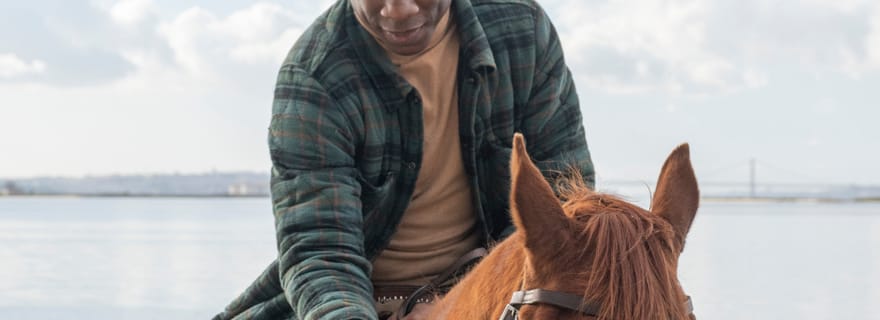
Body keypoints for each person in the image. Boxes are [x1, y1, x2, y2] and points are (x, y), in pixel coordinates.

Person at [214, 0, 594, 319]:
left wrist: (461, 303)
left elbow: (561, 208)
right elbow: (320, 253)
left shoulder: (523, 32)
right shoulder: (313, 78)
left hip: (500, 290)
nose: (399, 11)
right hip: (360, 304)